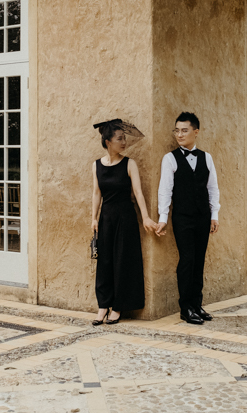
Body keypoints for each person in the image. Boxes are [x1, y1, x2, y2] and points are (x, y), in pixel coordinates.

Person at [155, 112, 220, 325]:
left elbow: (213, 188)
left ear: (195, 132)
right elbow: (165, 189)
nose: (179, 135)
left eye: (184, 130)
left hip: (203, 217)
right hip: (182, 217)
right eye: (177, 130)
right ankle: (186, 308)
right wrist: (163, 217)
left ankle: (197, 305)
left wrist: (214, 214)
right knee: (187, 260)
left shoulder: (206, 157)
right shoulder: (170, 158)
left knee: (199, 260)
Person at [92, 121, 158, 325]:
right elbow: (96, 193)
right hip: (106, 218)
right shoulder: (96, 165)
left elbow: (138, 193)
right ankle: (103, 305)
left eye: (124, 138)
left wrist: (146, 217)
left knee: (122, 261)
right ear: (107, 141)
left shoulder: (129, 164)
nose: (124, 142)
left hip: (125, 217)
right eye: (119, 138)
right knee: (104, 263)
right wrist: (93, 218)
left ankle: (118, 306)